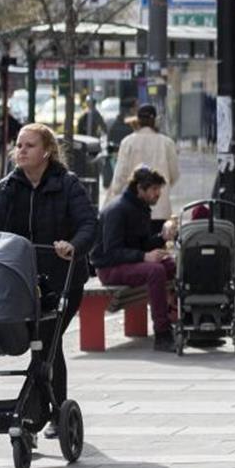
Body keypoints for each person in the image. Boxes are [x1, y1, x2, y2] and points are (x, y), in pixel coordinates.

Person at [0, 123, 98, 437]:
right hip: (21, 281)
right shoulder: (8, 187)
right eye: (18, 145)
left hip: (61, 280)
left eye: (28, 146)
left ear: (46, 151)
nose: (20, 151)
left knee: (48, 342)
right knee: (37, 343)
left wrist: (74, 245)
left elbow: (89, 224)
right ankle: (39, 409)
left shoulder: (67, 184)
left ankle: (50, 412)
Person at [91, 166, 179, 352]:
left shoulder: (140, 208)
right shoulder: (118, 210)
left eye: (159, 189)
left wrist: (162, 238)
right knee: (155, 270)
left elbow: (142, 243)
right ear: (140, 189)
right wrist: (145, 257)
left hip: (128, 263)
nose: (158, 194)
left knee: (172, 265)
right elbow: (112, 252)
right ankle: (162, 333)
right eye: (154, 189)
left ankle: (176, 317)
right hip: (109, 269)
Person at [107, 103, 179, 233]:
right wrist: (159, 189)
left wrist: (117, 195)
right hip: (160, 211)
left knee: (136, 248)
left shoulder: (128, 142)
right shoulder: (167, 143)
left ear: (138, 120)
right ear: (155, 120)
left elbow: (119, 177)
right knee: (157, 248)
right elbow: (174, 174)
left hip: (132, 210)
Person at [104, 99, 136, 189]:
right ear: (131, 109)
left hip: (116, 158)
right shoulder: (131, 125)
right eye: (135, 108)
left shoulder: (115, 124)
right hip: (125, 160)